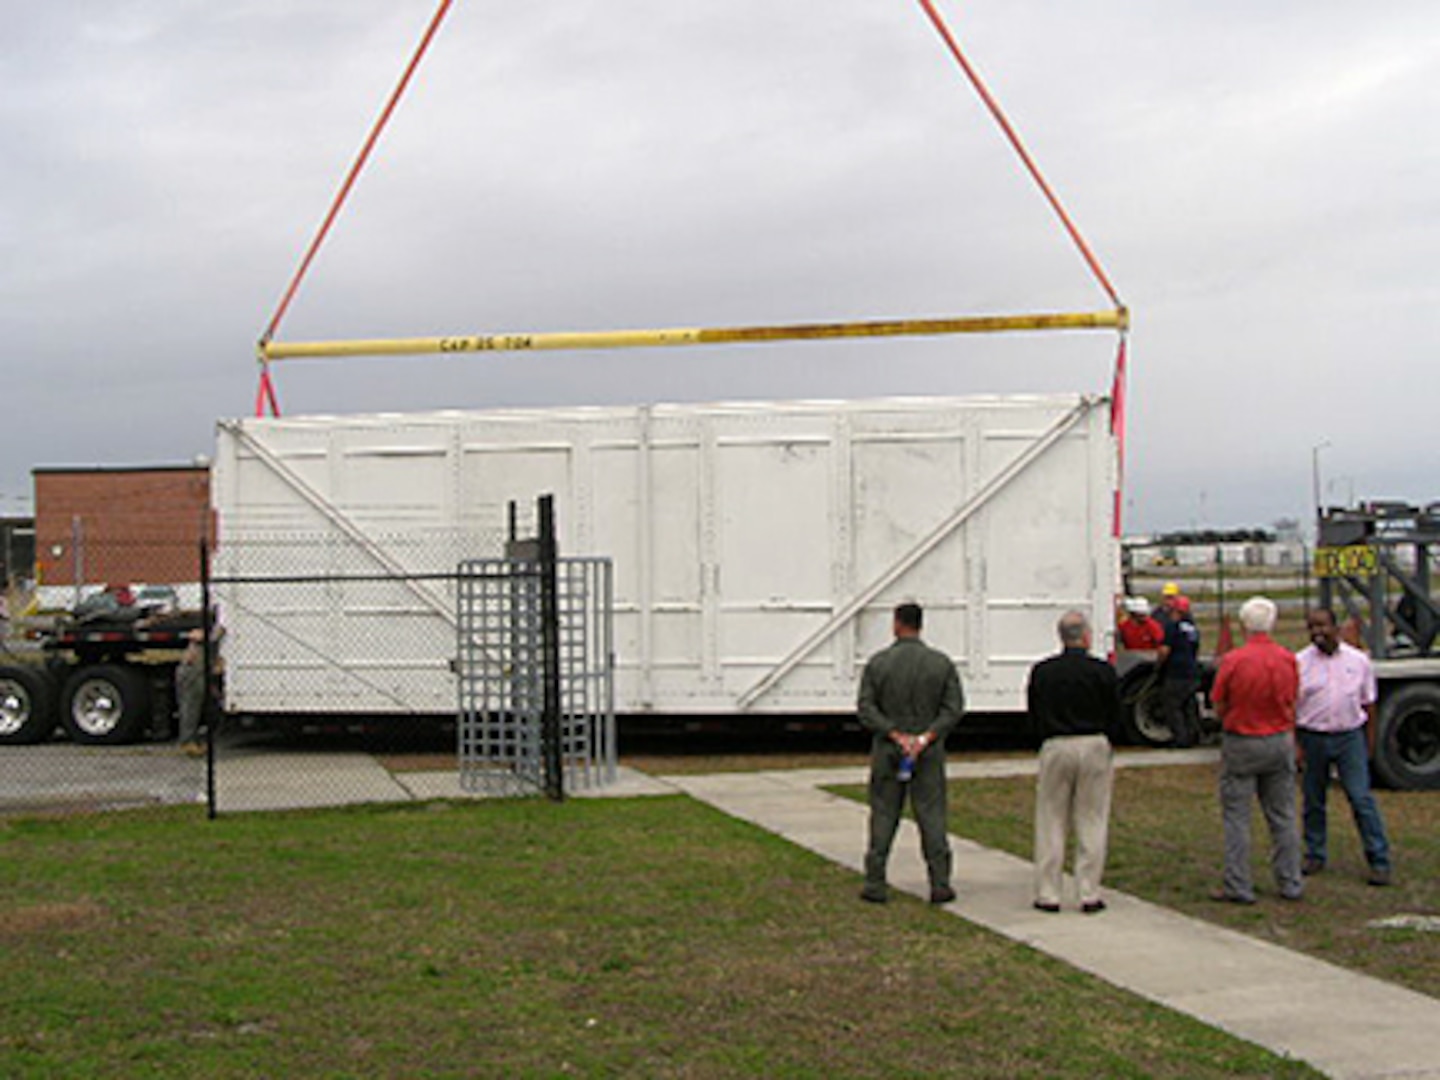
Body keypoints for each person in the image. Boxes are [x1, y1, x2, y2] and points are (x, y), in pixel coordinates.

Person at [857, 601, 965, 905]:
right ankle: (940, 882)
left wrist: (894, 733)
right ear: (921, 624)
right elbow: (953, 708)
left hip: (889, 748)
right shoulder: (940, 664)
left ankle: (875, 881)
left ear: (897, 624)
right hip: (927, 750)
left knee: (884, 813)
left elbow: (866, 708)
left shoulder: (878, 664)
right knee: (931, 815)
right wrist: (927, 736)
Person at [1027, 611, 1122, 914]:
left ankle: (1048, 892)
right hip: (1093, 741)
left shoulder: (1043, 672)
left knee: (1051, 818)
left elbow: (1034, 711)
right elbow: (1115, 712)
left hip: (1056, 743)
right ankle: (1088, 891)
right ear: (1086, 636)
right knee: (1091, 818)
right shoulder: (1102, 671)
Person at [1209, 596, 1302, 904]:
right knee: (1283, 814)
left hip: (1242, 738)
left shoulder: (1234, 660)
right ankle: (1290, 880)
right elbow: (1293, 698)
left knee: (1237, 816)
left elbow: (1219, 700)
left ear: (1243, 624)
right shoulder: (1287, 658)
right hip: (1278, 737)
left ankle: (1239, 882)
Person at [1296, 607, 1393, 886]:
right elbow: (1292, 707)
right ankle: (1315, 853)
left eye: (1323, 626)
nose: (1318, 633)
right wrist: (1297, 746)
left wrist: (1369, 744)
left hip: (1349, 736)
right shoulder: (1300, 662)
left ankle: (1379, 859)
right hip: (1313, 736)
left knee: (1361, 798)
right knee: (1314, 799)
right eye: (1312, 627)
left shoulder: (1358, 661)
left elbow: (1369, 705)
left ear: (1335, 627)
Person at [1158, 595, 1201, 748]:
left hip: (1176, 672)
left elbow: (1164, 650)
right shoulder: (1193, 628)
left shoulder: (1172, 626)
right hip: (1192, 671)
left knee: (1173, 706)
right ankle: (1194, 735)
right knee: (1189, 706)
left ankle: (1180, 738)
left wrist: (1159, 665)